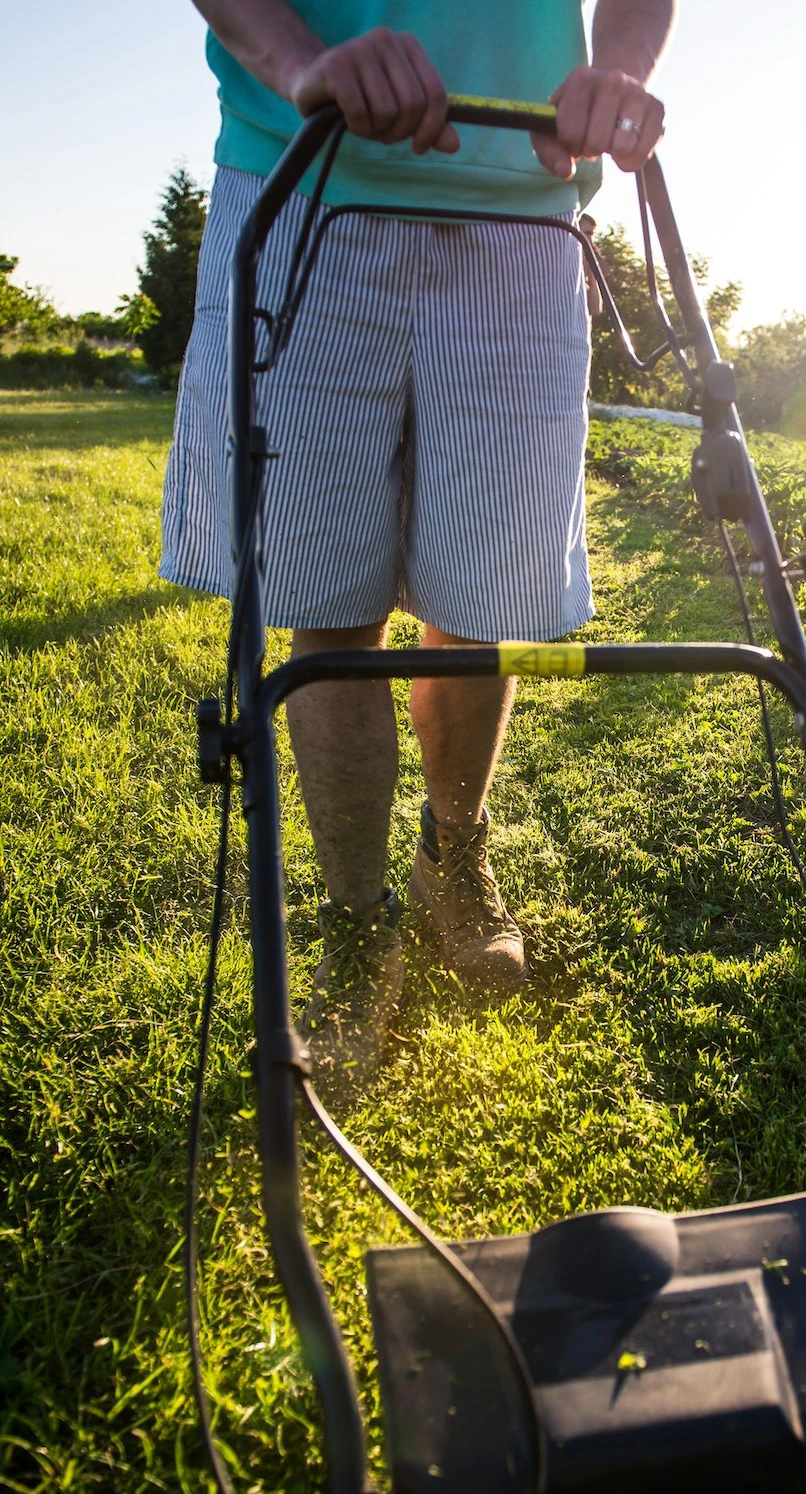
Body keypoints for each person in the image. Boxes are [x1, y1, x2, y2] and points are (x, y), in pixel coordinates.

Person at [161, 0, 674, 1101]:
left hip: (525, 219)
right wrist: (304, 62)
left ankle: (457, 855)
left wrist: (620, 68)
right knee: (326, 605)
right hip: (307, 182)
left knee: (477, 601)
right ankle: (354, 917)